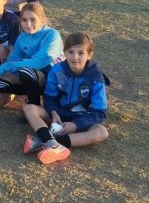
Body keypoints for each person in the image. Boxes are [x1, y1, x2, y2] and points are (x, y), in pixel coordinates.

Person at [22, 32, 109, 164]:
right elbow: (49, 98)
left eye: (81, 53)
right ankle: (51, 143)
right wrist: (53, 112)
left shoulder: (96, 77)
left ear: (89, 55)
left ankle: (45, 142)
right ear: (65, 53)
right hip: (58, 115)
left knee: (102, 132)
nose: (75, 57)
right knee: (29, 109)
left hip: (81, 118)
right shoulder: (57, 70)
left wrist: (76, 125)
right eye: (70, 52)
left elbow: (99, 112)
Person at [0, 2, 64, 107]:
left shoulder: (52, 35)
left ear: (42, 20)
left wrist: (1, 69)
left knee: (26, 71)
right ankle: (31, 93)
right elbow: (12, 60)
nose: (28, 24)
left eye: (33, 19)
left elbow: (38, 63)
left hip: (53, 79)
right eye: (24, 20)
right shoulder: (22, 37)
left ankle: (34, 105)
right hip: (32, 76)